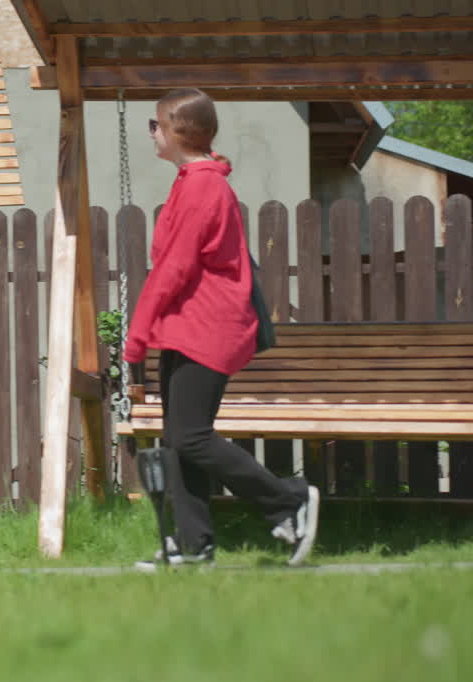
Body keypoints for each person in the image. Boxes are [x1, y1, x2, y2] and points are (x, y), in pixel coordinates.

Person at [125, 89, 319, 568]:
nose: (151, 133)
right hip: (184, 328)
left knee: (189, 437)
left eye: (155, 125)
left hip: (206, 329)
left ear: (178, 132)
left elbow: (172, 270)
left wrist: (134, 342)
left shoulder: (202, 188)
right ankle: (194, 547)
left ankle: (289, 500)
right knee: (178, 439)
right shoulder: (193, 180)